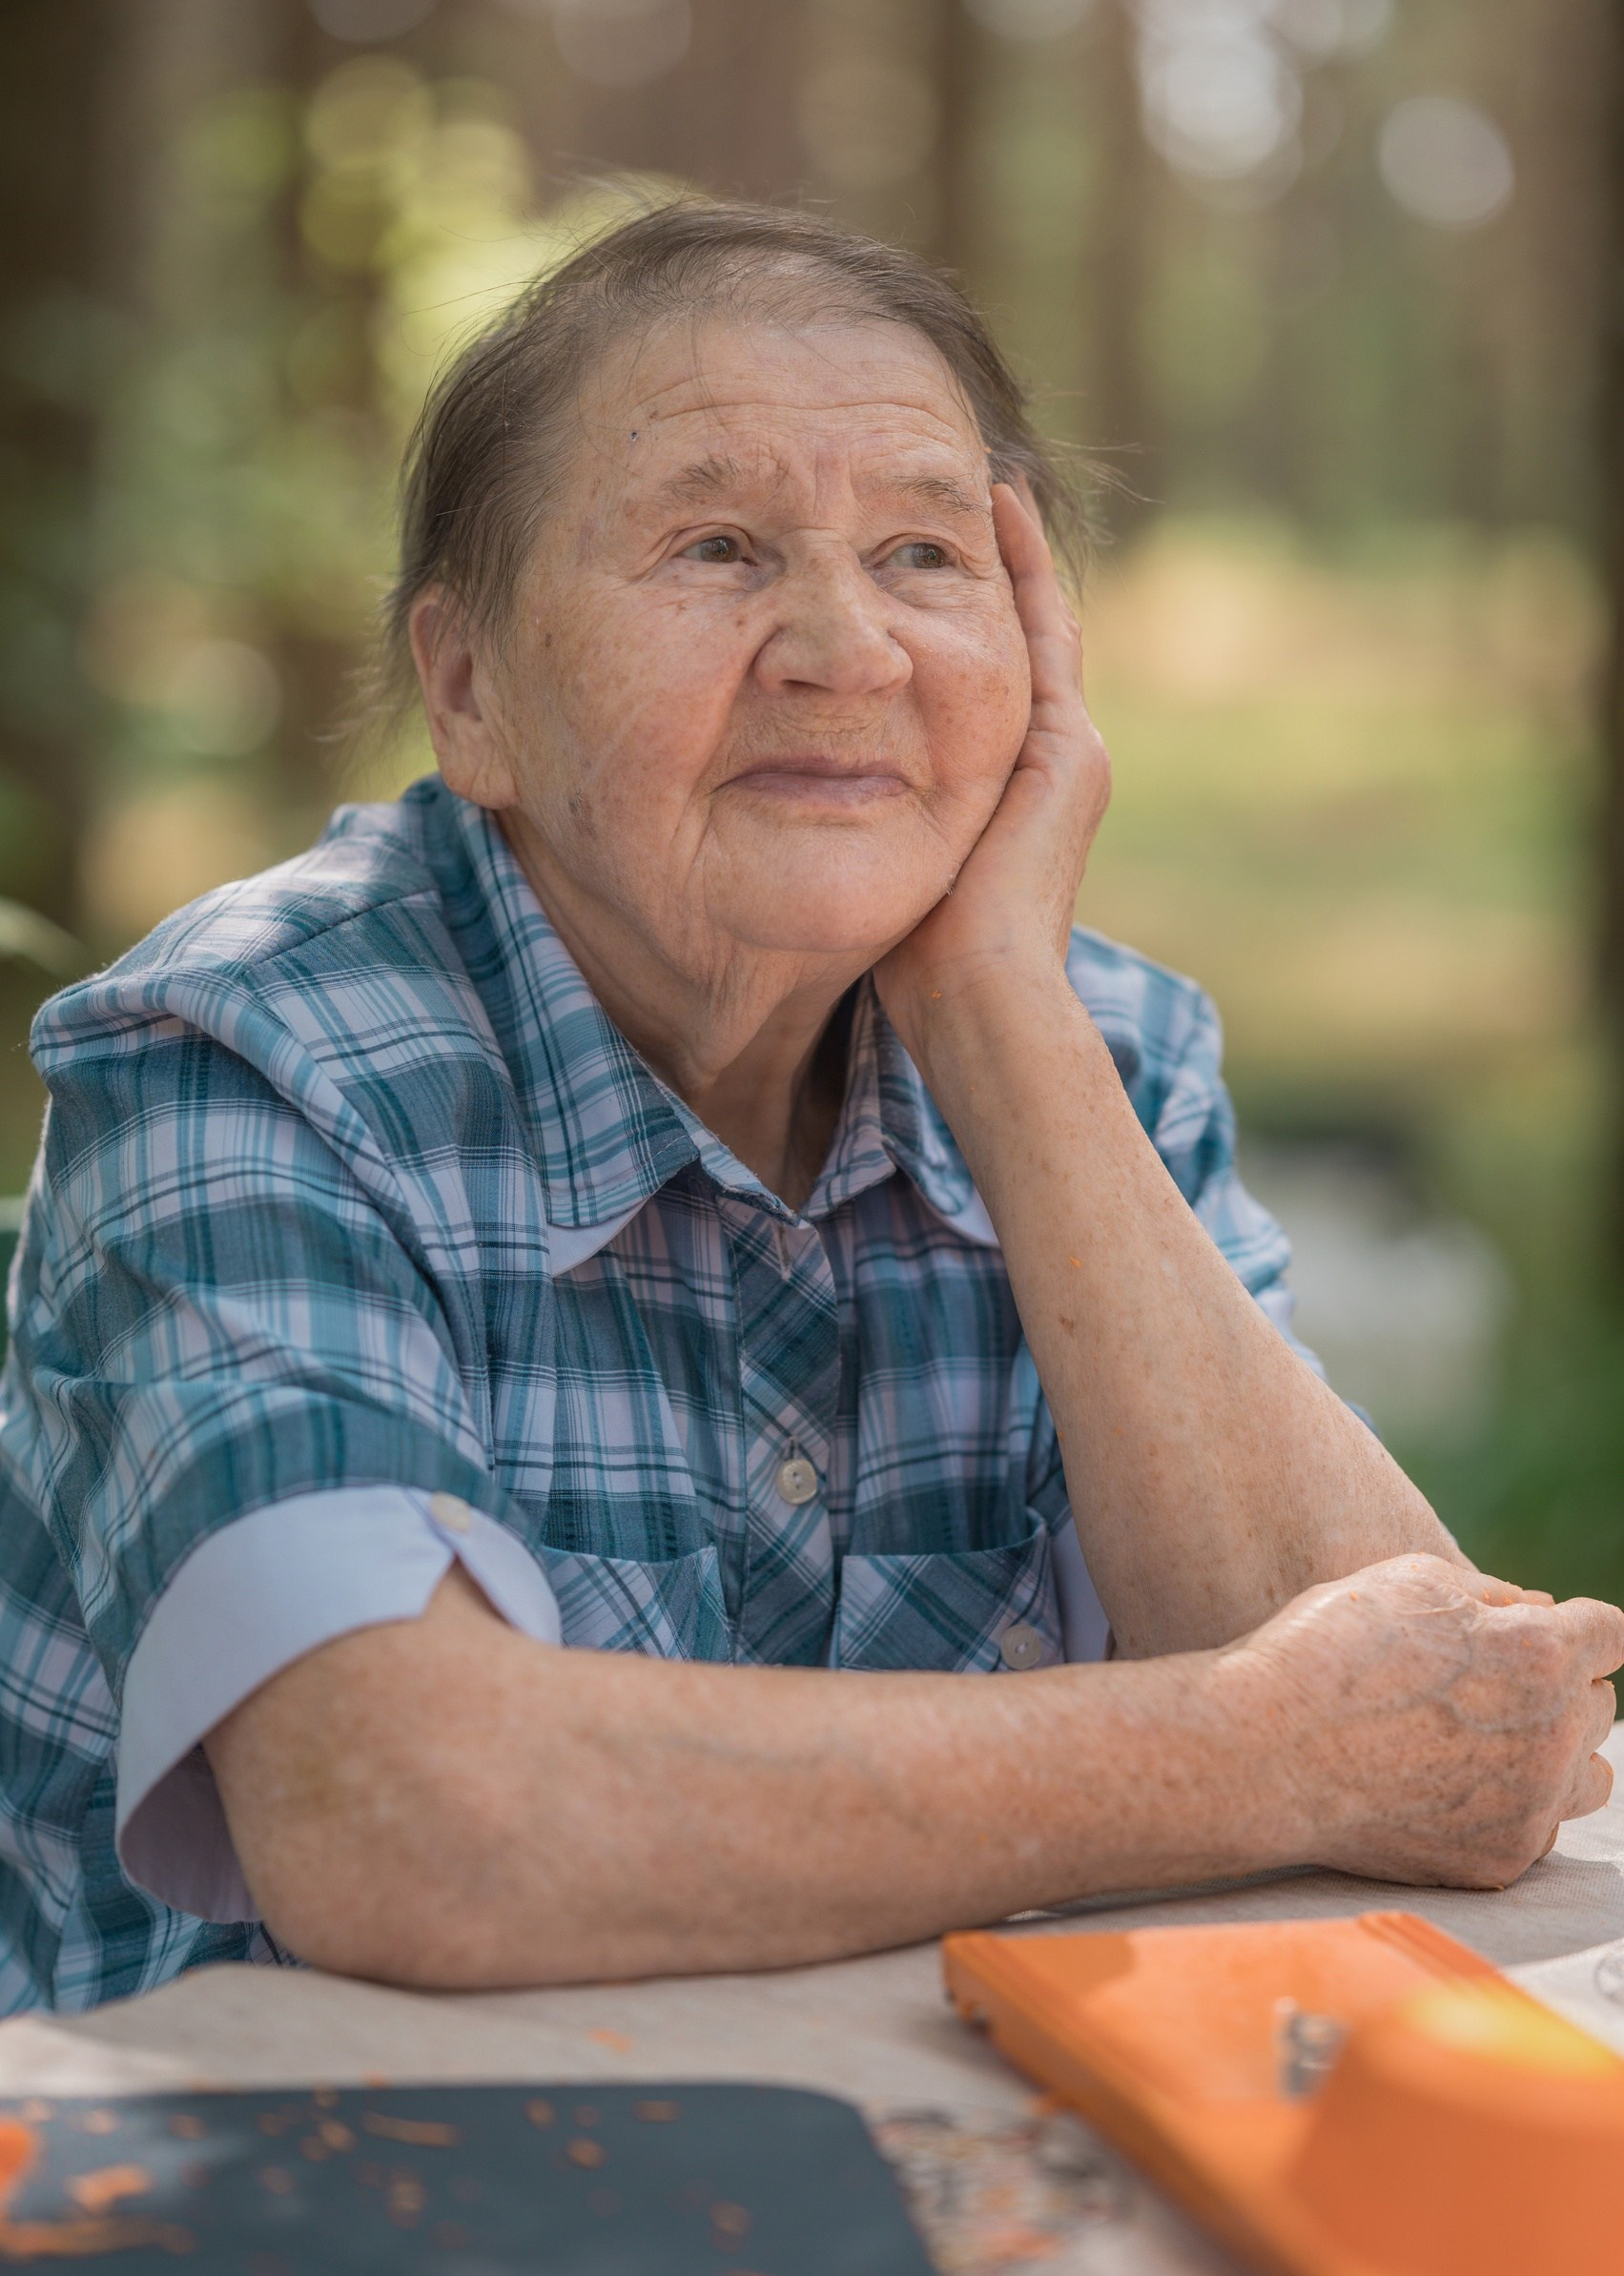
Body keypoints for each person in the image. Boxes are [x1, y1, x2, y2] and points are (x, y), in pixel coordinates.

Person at [0, 202, 1617, 2016]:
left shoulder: (1105, 1051)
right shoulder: (247, 1058)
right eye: (716, 548)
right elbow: (417, 1816)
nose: (845, 649)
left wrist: (1002, 1022)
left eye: (929, 555)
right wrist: (1255, 1753)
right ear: (470, 690)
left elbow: (1440, 1730)